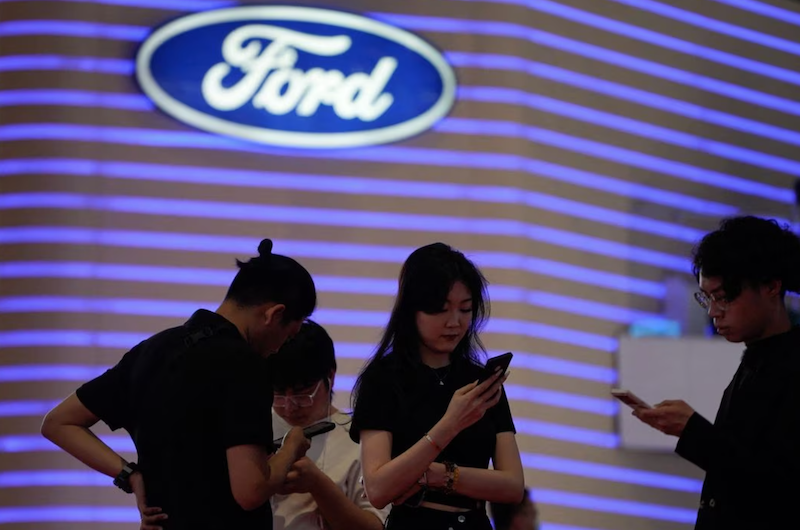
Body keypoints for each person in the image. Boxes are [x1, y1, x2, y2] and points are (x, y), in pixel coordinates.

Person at [41, 239, 316, 530]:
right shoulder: (244, 364)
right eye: (289, 335)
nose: (279, 348)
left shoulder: (151, 350)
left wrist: (131, 476)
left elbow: (58, 423)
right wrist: (291, 448)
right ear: (273, 314)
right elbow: (251, 491)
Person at [633, 216, 800, 529]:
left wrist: (695, 432)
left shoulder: (789, 367)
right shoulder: (755, 361)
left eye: (724, 298)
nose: (712, 312)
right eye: (707, 298)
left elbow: (780, 487)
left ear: (771, 286)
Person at [350, 242, 525, 530]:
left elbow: (512, 486)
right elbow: (379, 489)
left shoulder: (481, 381)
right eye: (440, 310)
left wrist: (436, 474)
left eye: (465, 309)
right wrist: (451, 424)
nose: (454, 323)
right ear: (412, 311)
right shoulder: (383, 378)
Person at [267, 320, 388, 530]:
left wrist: (317, 484)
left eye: (302, 392)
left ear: (330, 376)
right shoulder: (254, 427)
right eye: (278, 393)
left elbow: (375, 525)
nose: (289, 406)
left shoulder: (359, 438)